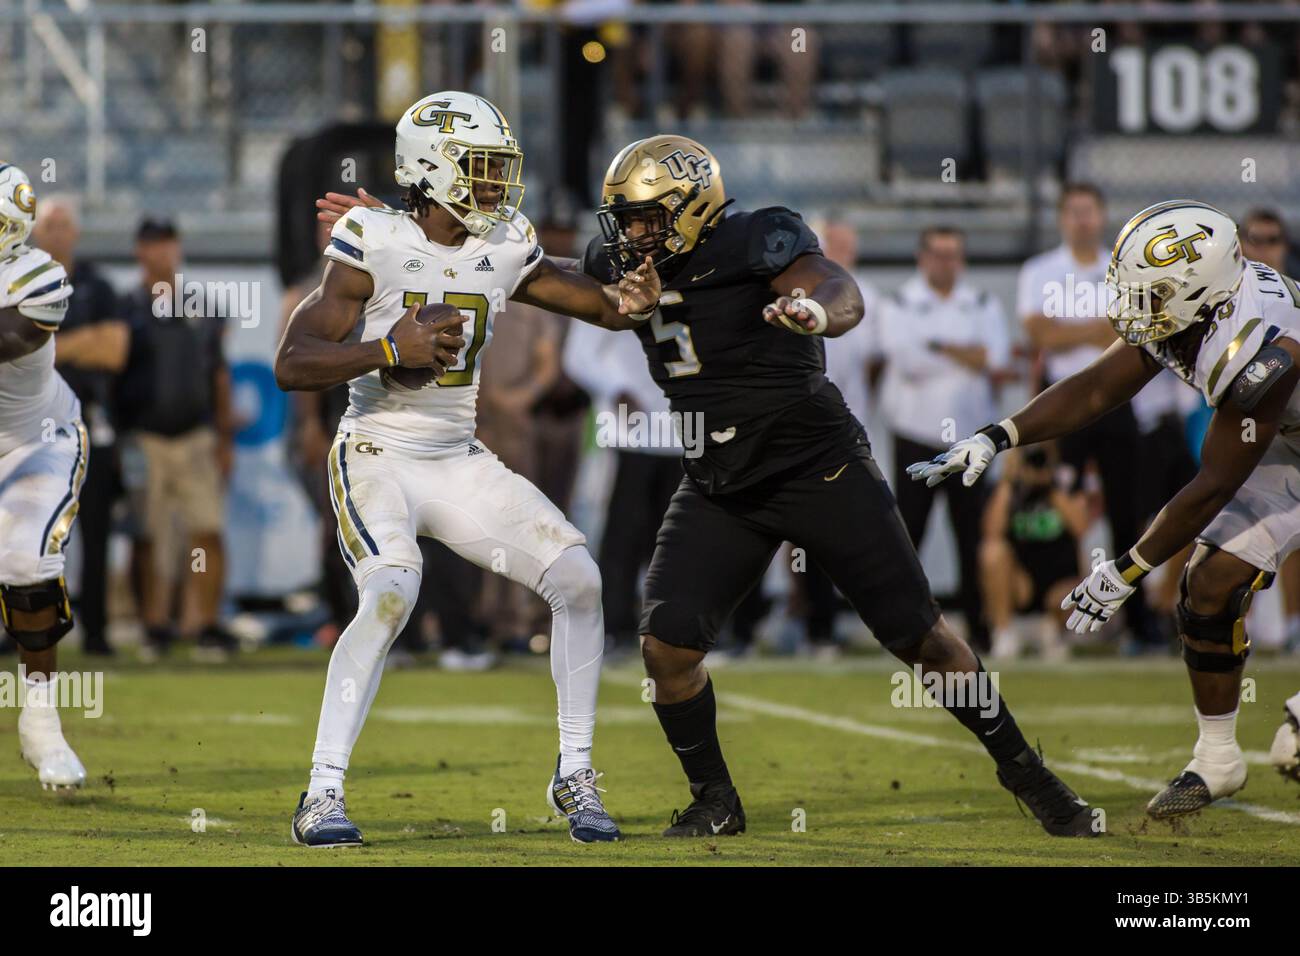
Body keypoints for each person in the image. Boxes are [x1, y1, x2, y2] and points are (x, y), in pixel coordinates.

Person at [578, 135, 1095, 837]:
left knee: (921, 637)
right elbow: (549, 280)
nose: (633, 234)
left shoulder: (758, 237)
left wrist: (814, 312)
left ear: (694, 207)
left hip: (815, 462)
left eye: (647, 217)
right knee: (667, 646)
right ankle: (716, 799)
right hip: (721, 479)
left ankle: (1022, 768)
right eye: (626, 219)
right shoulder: (621, 263)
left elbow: (837, 288)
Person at [279, 91, 659, 846]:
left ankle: (575, 772)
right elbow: (294, 363)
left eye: (498, 169)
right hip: (377, 451)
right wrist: (390, 350)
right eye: (482, 168)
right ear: (433, 168)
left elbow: (597, 304)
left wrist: (632, 300)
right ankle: (321, 792)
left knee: (579, 577)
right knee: (391, 592)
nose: (495, 184)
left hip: (456, 459)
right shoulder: (372, 239)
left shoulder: (504, 241)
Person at [913, 199, 1300, 817]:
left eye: (1153, 292)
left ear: (1202, 291)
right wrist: (997, 434)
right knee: (1209, 583)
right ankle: (1218, 757)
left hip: (1275, 429)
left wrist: (1127, 569)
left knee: (1294, 740)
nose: (1134, 304)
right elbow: (1097, 387)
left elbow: (1214, 485)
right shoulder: (1197, 307)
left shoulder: (1260, 349)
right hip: (1285, 437)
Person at [1017, 183, 1155, 643]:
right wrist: (1098, 330)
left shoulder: (1125, 268)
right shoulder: (1040, 270)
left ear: (1101, 216)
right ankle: (1065, 616)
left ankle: (1136, 624)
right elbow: (1039, 333)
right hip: (1064, 405)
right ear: (1062, 218)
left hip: (1118, 404)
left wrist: (1069, 330)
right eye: (1073, 211)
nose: (1081, 220)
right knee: (1062, 506)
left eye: (1088, 211)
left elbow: (1132, 331)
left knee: (1126, 513)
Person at [878, 226, 1009, 649]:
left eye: (953, 254)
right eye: (938, 254)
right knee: (907, 537)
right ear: (922, 257)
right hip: (916, 437)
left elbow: (996, 359)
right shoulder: (900, 302)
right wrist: (966, 354)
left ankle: (980, 627)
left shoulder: (983, 302)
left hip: (970, 443)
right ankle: (902, 628)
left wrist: (937, 345)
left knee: (972, 536)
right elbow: (908, 360)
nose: (945, 262)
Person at [0, 163, 86, 789]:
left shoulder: (37, 277)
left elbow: (7, 338)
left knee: (27, 565)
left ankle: (40, 719)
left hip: (33, 444)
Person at [116, 217, 234, 662]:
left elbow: (219, 376)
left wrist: (225, 439)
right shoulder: (126, 307)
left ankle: (203, 624)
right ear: (139, 251)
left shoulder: (200, 308)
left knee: (207, 530)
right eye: (153, 244)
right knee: (148, 535)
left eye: (168, 243)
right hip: (145, 436)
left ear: (177, 249)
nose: (162, 252)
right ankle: (155, 625)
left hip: (195, 436)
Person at [31, 194, 129, 657]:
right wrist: (82, 342)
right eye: (47, 225)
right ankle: (30, 628)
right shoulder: (18, 283)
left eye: (62, 224)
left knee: (95, 529)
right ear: (34, 231)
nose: (55, 233)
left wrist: (49, 347)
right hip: (31, 426)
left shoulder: (97, 285)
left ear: (74, 233)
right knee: (30, 532)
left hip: (88, 422)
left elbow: (113, 351)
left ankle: (96, 632)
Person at [980, 444, 1088, 659]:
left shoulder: (1067, 480)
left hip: (1061, 581)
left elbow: (1080, 527)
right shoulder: (1009, 486)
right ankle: (1004, 633)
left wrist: (1050, 486)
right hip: (1023, 582)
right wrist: (1008, 481)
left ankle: (1054, 633)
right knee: (992, 553)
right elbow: (991, 532)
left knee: (1071, 592)